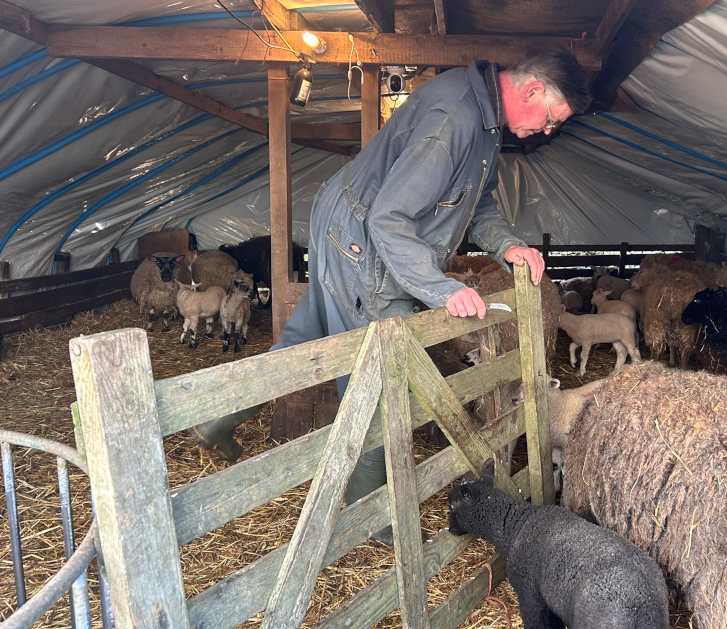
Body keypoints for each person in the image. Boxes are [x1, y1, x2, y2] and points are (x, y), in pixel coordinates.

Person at [192, 49, 591, 538]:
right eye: (552, 118)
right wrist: (441, 288)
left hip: (346, 223)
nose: (549, 131)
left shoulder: (486, 125)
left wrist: (509, 247)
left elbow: (477, 203)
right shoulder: (455, 120)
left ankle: (218, 419)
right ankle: (373, 514)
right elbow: (389, 218)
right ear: (532, 90)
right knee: (381, 379)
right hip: (366, 243)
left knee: (308, 335)